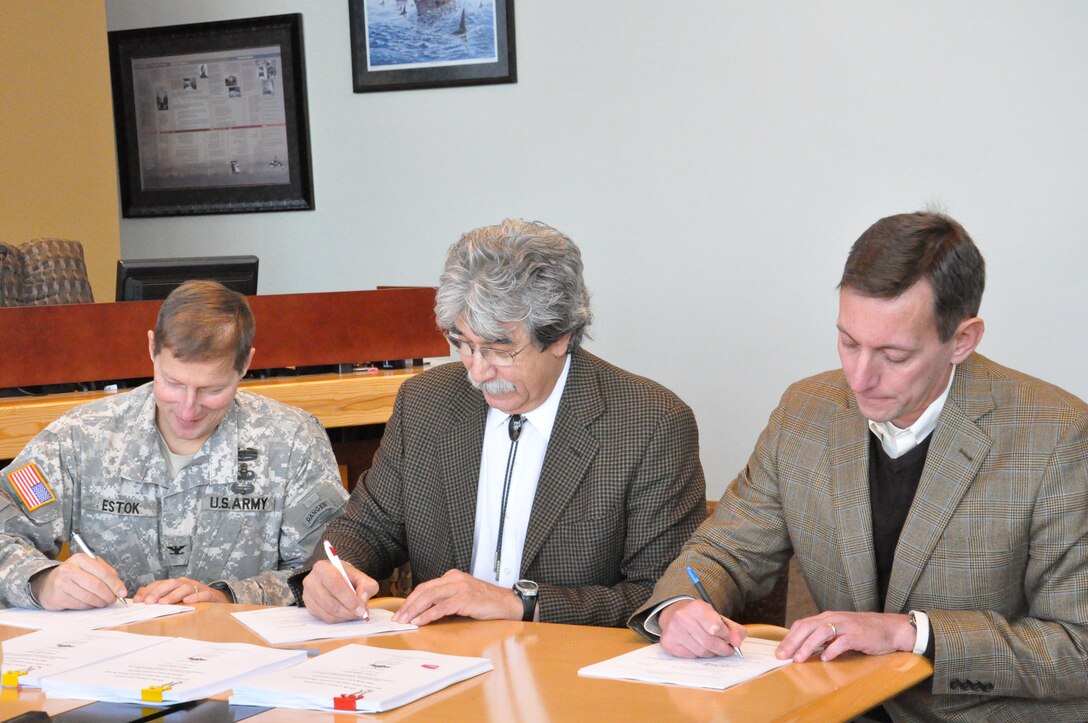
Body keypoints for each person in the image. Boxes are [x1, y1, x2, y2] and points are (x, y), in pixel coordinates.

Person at [630, 211, 1088, 721]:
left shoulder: (1058, 436)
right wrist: (678, 608)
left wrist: (908, 633)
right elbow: (722, 551)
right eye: (848, 342)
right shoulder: (806, 411)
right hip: (830, 708)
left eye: (893, 354)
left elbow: (1079, 648)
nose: (859, 377)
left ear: (963, 339)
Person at [295, 219, 705, 628]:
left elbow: (659, 597)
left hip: (568, 669)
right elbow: (366, 526)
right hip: (440, 659)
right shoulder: (426, 402)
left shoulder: (651, 424)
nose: (477, 371)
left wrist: (521, 604)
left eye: (499, 349)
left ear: (561, 336)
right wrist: (331, 571)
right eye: (464, 345)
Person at [0, 280, 347, 609]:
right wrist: (42, 581)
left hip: (244, 654)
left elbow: (333, 570)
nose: (187, 408)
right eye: (173, 383)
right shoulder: (82, 436)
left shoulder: (291, 442)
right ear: (152, 348)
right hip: (115, 654)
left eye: (212, 390)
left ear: (246, 365)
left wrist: (230, 598)